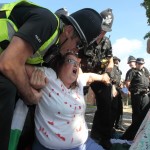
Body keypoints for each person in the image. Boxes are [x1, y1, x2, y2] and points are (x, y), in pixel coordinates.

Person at [0, 1, 104, 149]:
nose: (76, 50)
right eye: (79, 44)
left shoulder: (53, 47)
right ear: (68, 31)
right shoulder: (47, 21)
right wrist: (29, 94)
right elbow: (8, 64)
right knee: (7, 88)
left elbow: (24, 69)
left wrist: (33, 85)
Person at [26, 52, 111, 150]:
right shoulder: (49, 75)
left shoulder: (79, 81)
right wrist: (29, 90)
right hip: (48, 147)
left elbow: (90, 76)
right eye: (71, 61)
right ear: (60, 65)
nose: (76, 65)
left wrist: (104, 77)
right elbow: (19, 67)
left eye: (77, 64)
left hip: (84, 145)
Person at [121, 58, 150, 140]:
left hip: (145, 94)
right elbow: (126, 83)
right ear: (136, 64)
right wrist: (129, 92)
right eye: (139, 63)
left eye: (142, 63)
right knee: (136, 114)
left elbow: (148, 78)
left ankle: (143, 131)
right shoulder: (131, 71)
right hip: (136, 94)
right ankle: (134, 133)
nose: (140, 65)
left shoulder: (145, 70)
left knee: (144, 113)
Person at [110, 56, 125, 132]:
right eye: (116, 61)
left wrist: (123, 88)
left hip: (118, 90)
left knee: (120, 108)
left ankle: (118, 125)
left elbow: (120, 82)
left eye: (118, 61)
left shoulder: (119, 71)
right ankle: (111, 125)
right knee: (114, 108)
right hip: (113, 89)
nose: (117, 62)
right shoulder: (112, 68)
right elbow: (112, 79)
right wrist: (113, 88)